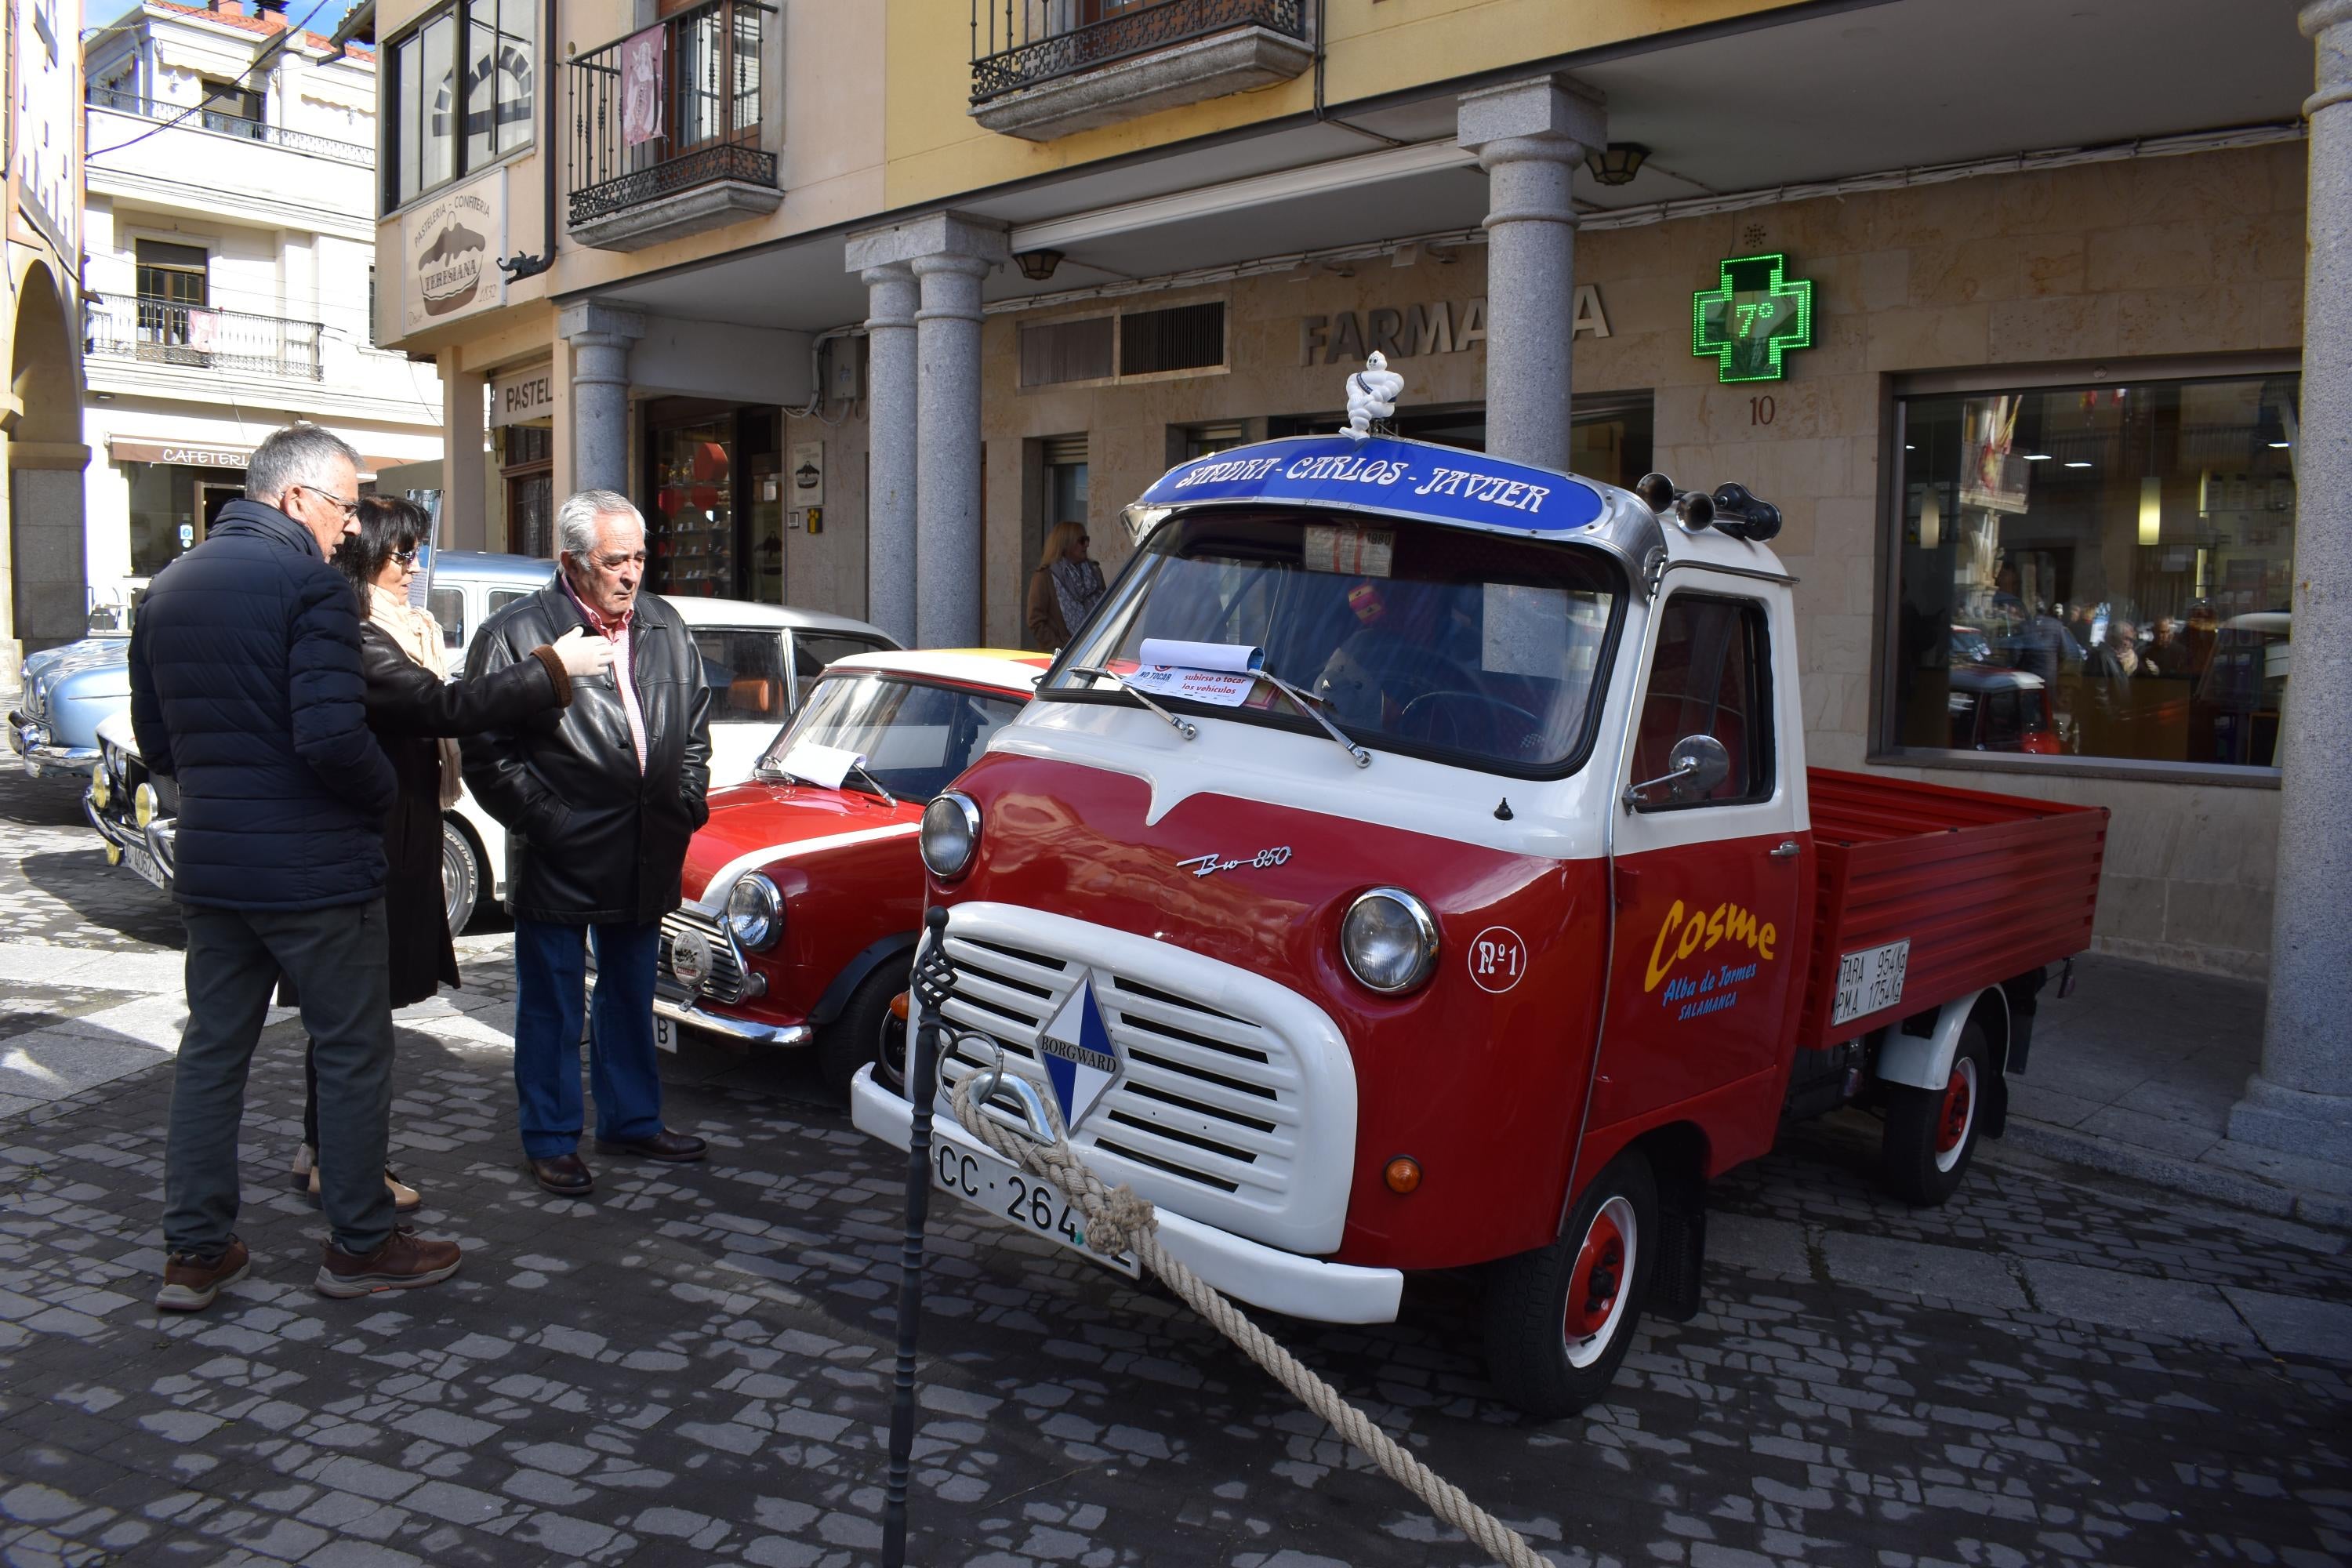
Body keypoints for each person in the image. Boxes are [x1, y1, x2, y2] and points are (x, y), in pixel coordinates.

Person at [128, 423, 461, 1311]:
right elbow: (329, 737)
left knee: (211, 1056)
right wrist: (374, 797)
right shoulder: (311, 587)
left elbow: (158, 741)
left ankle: (194, 1252)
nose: (351, 528)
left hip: (214, 866)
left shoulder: (166, 587)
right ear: (294, 498)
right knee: (353, 1050)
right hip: (317, 870)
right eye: (345, 505)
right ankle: (359, 1242)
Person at [285, 497, 613, 1210]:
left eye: (414, 552)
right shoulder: (356, 629)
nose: (411, 567)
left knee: (357, 1012)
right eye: (401, 553)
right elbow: (443, 707)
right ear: (362, 557)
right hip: (373, 842)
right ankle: (345, 1173)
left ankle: (324, 1151)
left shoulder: (396, 626)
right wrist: (553, 668)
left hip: (398, 836)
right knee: (354, 1017)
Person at [462, 489, 714, 1196]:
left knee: (632, 995)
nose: (632, 573)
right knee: (552, 1005)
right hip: (562, 855)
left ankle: (632, 1121)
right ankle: (549, 1138)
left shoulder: (663, 622)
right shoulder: (517, 635)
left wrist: (684, 801)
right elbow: (487, 754)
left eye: (639, 556)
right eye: (615, 560)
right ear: (571, 562)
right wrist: (553, 824)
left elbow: (694, 724)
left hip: (644, 847)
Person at [1025, 521, 1106, 652]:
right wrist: (1061, 647)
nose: (1087, 545)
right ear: (1065, 544)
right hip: (1061, 656)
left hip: (1095, 650)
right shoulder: (1045, 577)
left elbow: (1106, 609)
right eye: (1081, 541)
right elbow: (1036, 621)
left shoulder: (1095, 572)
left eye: (1087, 540)